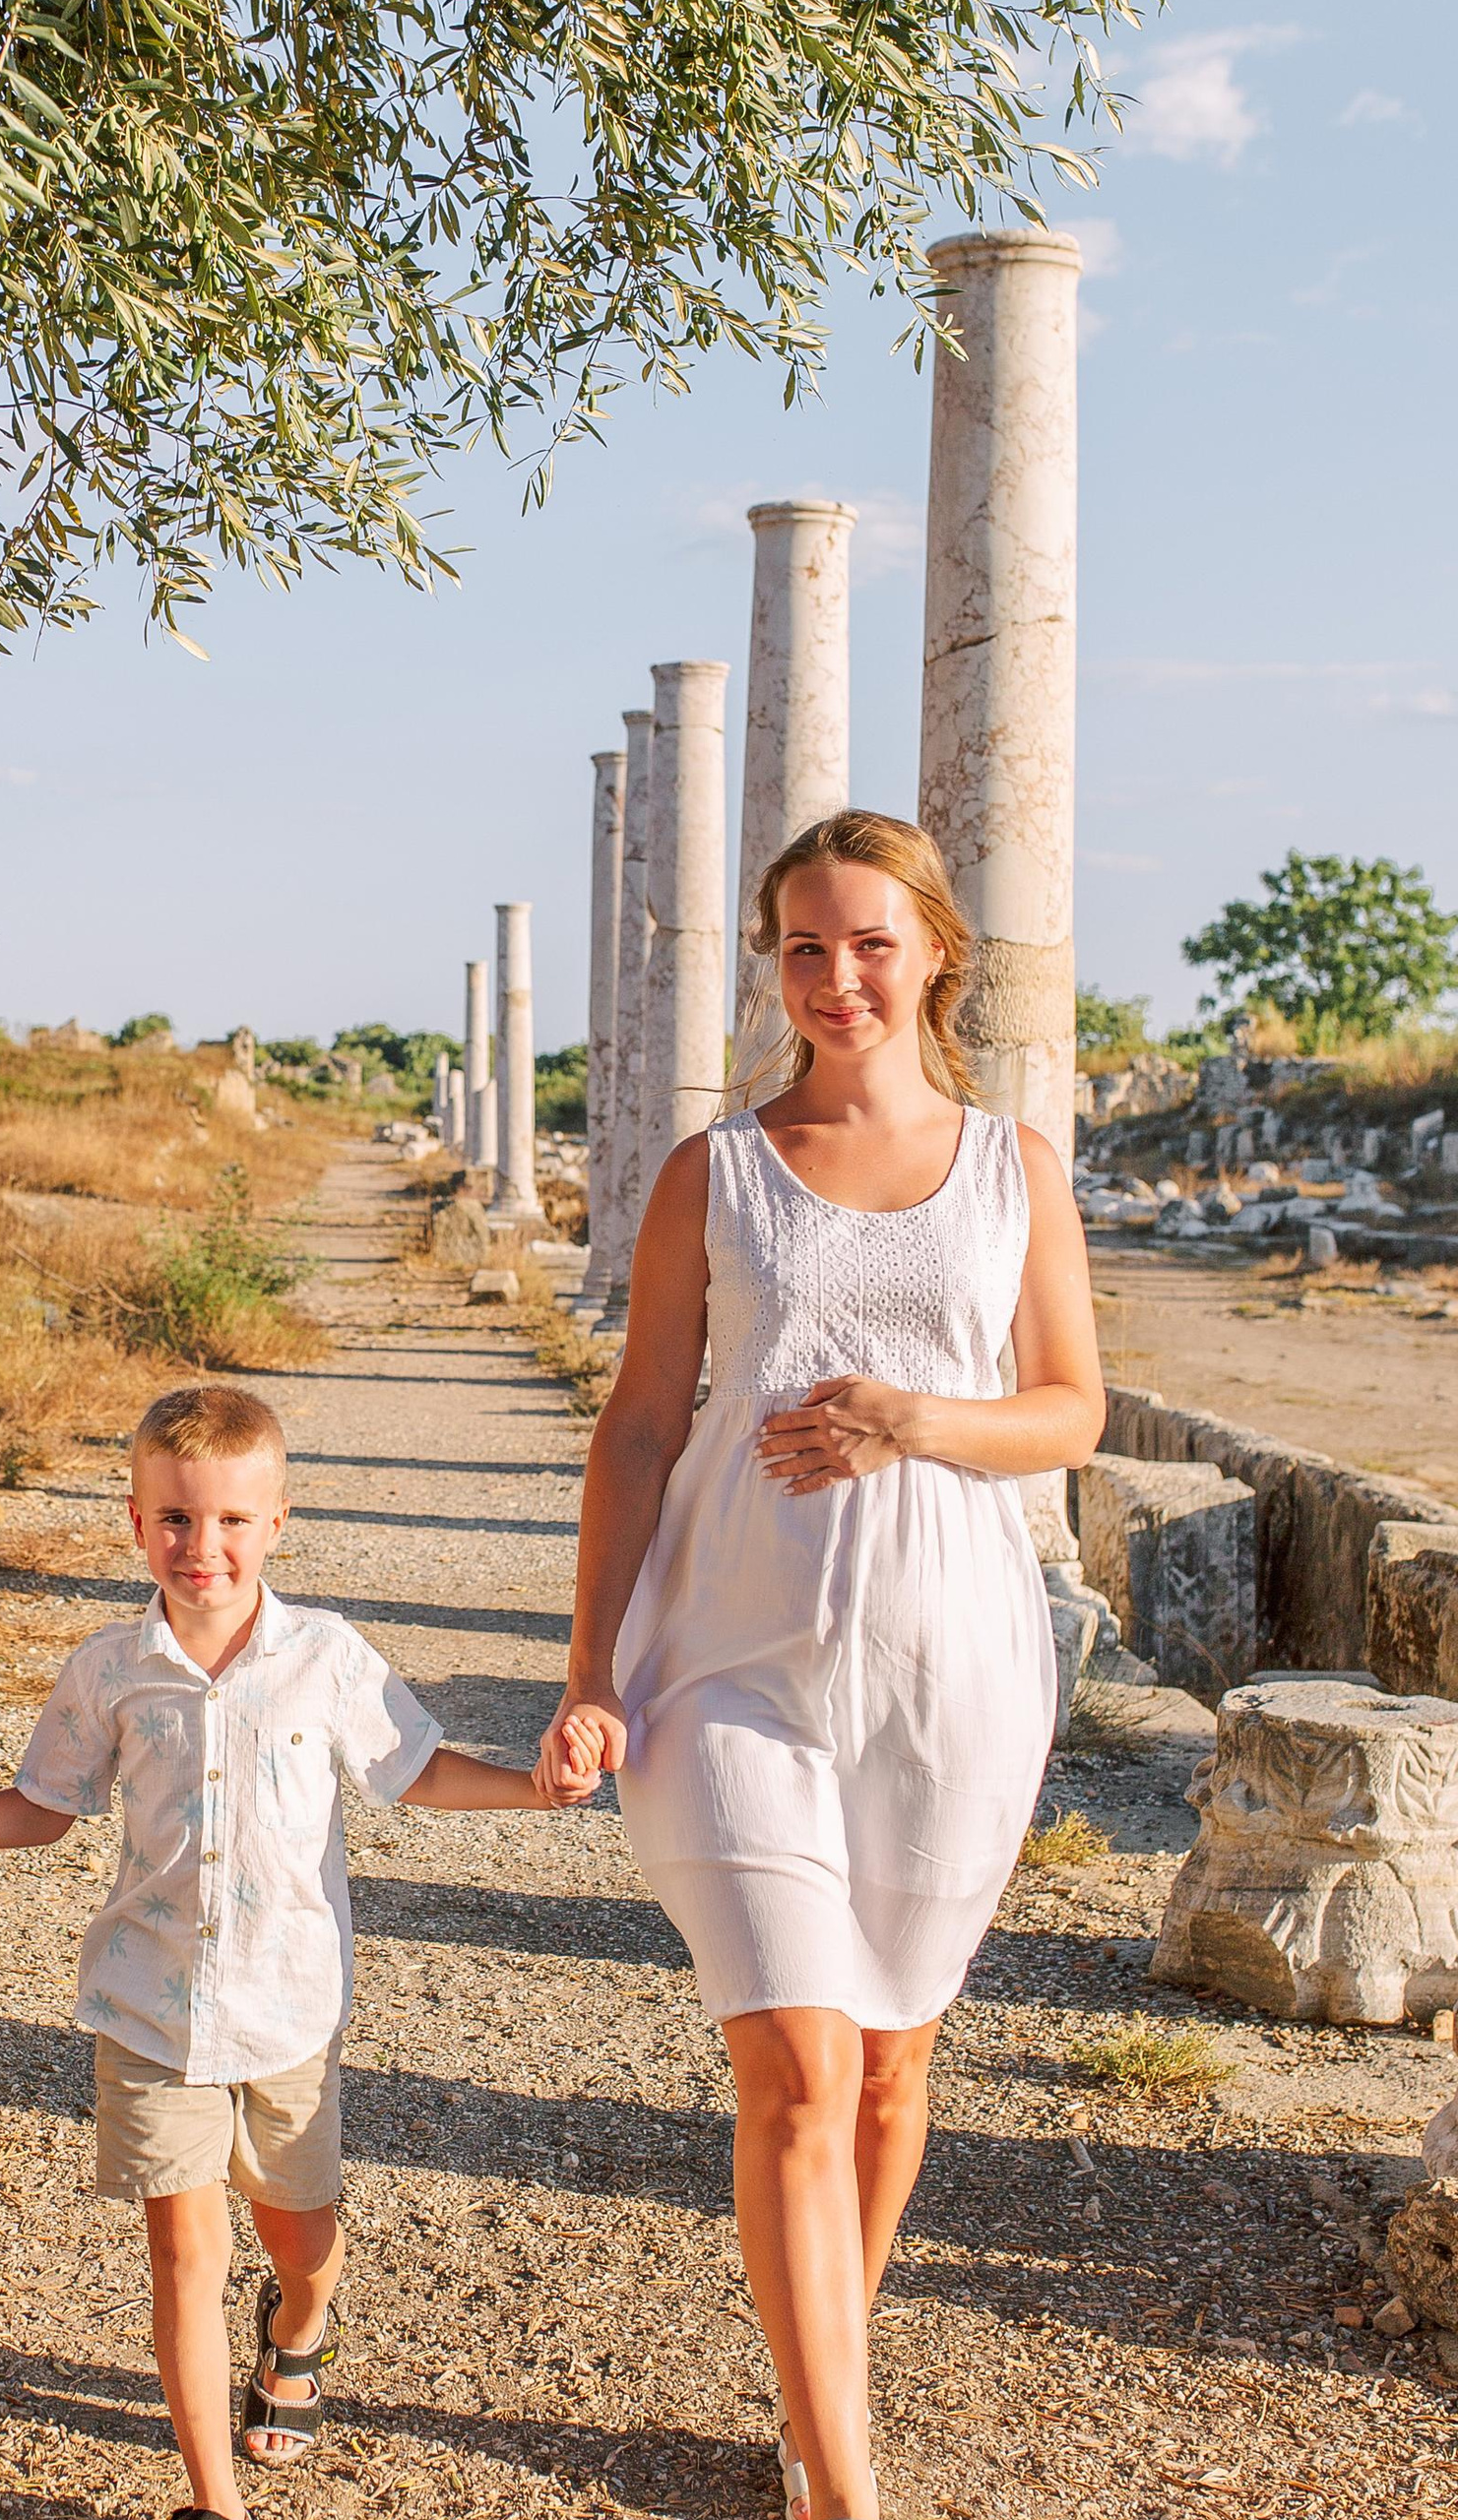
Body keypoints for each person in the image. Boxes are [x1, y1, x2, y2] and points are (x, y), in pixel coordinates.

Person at [539, 810, 1103, 2520]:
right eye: (802, 945)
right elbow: (640, 1422)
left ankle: (812, 2396)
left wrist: (911, 1419)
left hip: (955, 1672)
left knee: (894, 2067)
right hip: (729, 1659)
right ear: (773, 964)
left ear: (935, 950)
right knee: (797, 2064)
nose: (835, 976)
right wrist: (588, 1664)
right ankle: (845, 2491)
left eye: (868, 941)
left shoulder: (1020, 1166)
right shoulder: (715, 1172)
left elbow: (1071, 1409)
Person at [0, 1382, 603, 2520]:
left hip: (290, 2007)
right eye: (179, 1519)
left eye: (233, 1520)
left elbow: (417, 1771)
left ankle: (300, 2325)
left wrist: (535, 1791)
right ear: (135, 1521)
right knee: (186, 2254)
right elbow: (44, 1805)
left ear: (278, 1521)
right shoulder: (108, 1669)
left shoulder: (324, 1656)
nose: (204, 1546)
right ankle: (215, 2496)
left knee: (300, 2236)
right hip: (148, 2008)